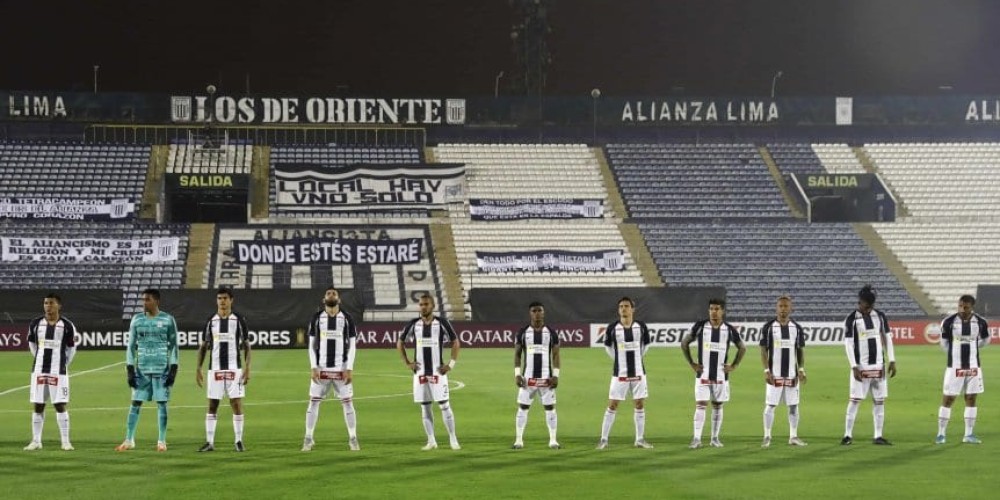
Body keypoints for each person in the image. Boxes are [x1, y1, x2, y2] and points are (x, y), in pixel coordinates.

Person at [116, 288, 179, 452]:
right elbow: (130, 347)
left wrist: (173, 369)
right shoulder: (136, 320)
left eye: (147, 300)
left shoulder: (168, 320)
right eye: (143, 300)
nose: (144, 303)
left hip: (161, 369)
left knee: (162, 404)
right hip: (142, 369)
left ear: (157, 301)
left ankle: (162, 441)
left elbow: (173, 347)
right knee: (135, 403)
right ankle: (129, 439)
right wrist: (129, 369)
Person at [397, 293, 461, 451]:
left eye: (426, 304)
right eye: (421, 304)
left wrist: (450, 364)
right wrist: (407, 362)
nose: (423, 307)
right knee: (425, 408)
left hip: (438, 372)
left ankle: (453, 439)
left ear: (433, 306)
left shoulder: (441, 323)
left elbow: (455, 342)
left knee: (444, 406)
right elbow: (400, 342)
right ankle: (431, 440)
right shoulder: (414, 324)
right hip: (420, 373)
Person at [681, 298, 746, 449]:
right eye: (711, 309)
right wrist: (691, 363)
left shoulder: (729, 329)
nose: (713, 312)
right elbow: (684, 343)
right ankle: (696, 439)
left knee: (717, 406)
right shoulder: (700, 326)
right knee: (701, 405)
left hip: (721, 376)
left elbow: (742, 347)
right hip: (703, 375)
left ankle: (714, 438)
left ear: (722, 311)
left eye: (717, 309)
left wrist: (734, 365)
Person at [301, 286, 360, 452]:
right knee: (313, 403)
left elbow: (353, 346)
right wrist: (313, 367)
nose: (331, 295)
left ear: (339, 299)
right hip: (322, 369)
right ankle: (308, 438)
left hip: (341, 369)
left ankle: (353, 438)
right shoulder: (317, 318)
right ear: (324, 299)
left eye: (334, 293)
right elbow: (311, 345)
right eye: (328, 293)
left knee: (348, 404)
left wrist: (349, 368)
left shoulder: (347, 318)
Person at [195, 287, 251, 452]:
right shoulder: (211, 321)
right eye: (219, 298)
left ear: (231, 300)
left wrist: (248, 368)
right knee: (212, 405)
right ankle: (210, 442)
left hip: (234, 370)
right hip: (215, 369)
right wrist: (198, 368)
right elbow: (204, 346)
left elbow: (247, 346)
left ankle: (238, 441)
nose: (222, 301)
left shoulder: (239, 320)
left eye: (225, 298)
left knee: (237, 404)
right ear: (216, 300)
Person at [841, 284, 896, 446]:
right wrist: (853, 366)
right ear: (860, 302)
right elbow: (848, 344)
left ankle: (878, 436)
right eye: (866, 304)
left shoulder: (879, 316)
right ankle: (847, 435)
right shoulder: (852, 318)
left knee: (879, 401)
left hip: (879, 366)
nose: (869, 307)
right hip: (861, 367)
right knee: (855, 400)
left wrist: (892, 360)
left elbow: (888, 338)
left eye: (871, 304)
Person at [24, 293, 78, 451]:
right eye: (46, 303)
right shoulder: (35, 323)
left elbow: (72, 348)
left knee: (60, 404)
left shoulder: (67, 325)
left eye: (51, 303)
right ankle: (36, 441)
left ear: (58, 305)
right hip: (39, 370)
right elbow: (33, 346)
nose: (48, 306)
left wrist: (63, 363)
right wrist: (39, 359)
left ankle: (65, 441)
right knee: (38, 405)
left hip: (58, 371)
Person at [597, 297, 653, 450]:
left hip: (638, 372)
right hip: (619, 373)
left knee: (639, 404)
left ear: (632, 309)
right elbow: (607, 347)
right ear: (618, 309)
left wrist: (637, 358)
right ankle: (603, 439)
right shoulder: (612, 328)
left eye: (626, 306)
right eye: (621, 306)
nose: (623, 309)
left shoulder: (641, 326)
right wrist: (618, 360)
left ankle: (639, 439)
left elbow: (646, 345)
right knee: (613, 404)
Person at [936, 294, 990, 444]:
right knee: (948, 398)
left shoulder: (980, 322)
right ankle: (941, 434)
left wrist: (974, 348)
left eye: (965, 307)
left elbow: (985, 339)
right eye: (960, 306)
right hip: (954, 367)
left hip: (974, 366)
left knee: (971, 398)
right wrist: (955, 355)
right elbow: (944, 343)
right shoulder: (948, 322)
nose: (962, 309)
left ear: (972, 307)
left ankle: (968, 434)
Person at [759, 295, 807, 448]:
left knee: (793, 406)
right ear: (776, 308)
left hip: (792, 375)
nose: (783, 309)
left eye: (786, 306)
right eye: (780, 306)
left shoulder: (796, 328)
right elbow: (763, 351)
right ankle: (767, 436)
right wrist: (766, 370)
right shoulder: (768, 327)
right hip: (775, 374)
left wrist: (801, 369)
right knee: (770, 406)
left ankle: (793, 436)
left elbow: (800, 350)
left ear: (791, 308)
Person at [512, 302, 561, 450]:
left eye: (540, 310)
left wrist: (556, 375)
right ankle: (519, 440)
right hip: (528, 379)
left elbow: (556, 355)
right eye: (534, 311)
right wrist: (517, 374)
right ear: (530, 313)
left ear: (544, 313)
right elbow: (517, 354)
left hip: (546, 379)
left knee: (550, 408)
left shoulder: (551, 333)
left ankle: (553, 440)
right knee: (523, 407)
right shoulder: (522, 332)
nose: (537, 313)